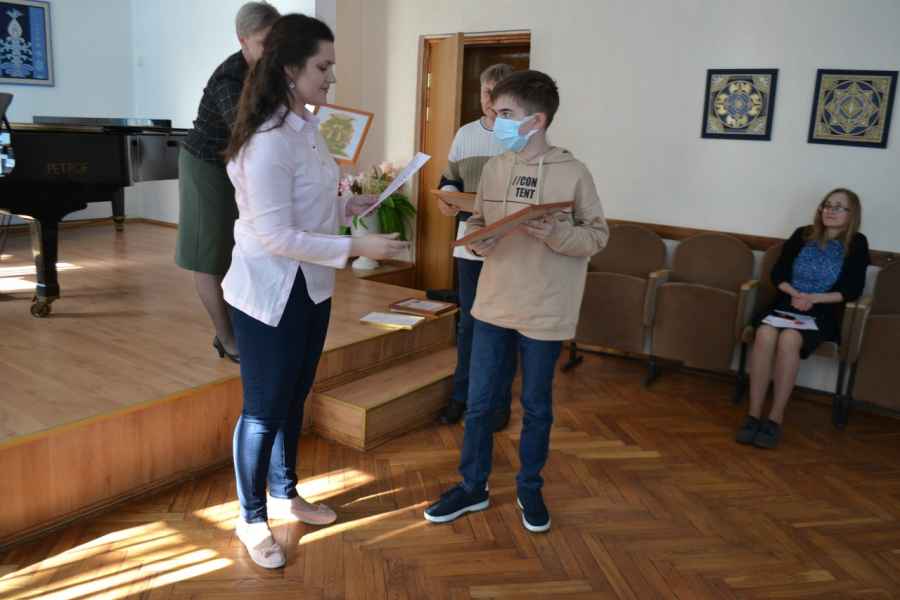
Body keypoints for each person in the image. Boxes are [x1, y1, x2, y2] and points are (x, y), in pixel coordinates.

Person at [221, 14, 409, 568]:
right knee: (263, 408)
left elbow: (310, 204)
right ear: (289, 69)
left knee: (294, 394)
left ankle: (285, 491)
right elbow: (276, 235)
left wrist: (347, 207)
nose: (331, 78)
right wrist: (357, 247)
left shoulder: (307, 127)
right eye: (322, 67)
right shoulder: (267, 142)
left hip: (310, 287)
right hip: (269, 291)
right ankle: (251, 517)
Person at [424, 70, 609, 533]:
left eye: (506, 113)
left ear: (537, 120)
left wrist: (557, 233)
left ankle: (530, 488)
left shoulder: (574, 172)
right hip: (494, 303)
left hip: (546, 309)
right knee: (480, 404)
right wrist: (478, 240)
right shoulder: (495, 167)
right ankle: (473, 486)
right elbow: (479, 222)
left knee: (536, 407)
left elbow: (597, 236)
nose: (496, 119)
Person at [176, 2, 280, 363]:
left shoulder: (273, 70)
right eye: (265, 43)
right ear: (243, 41)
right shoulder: (229, 78)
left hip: (241, 164)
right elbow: (247, 129)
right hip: (206, 165)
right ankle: (227, 339)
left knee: (243, 250)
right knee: (210, 256)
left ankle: (243, 330)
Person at [736, 189, 870, 449]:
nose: (830, 210)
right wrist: (795, 294)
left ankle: (775, 418)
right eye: (827, 205)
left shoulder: (857, 243)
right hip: (787, 301)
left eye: (839, 207)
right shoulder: (803, 234)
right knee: (764, 334)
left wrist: (813, 299)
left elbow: (852, 289)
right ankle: (753, 415)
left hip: (823, 310)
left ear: (852, 214)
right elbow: (778, 273)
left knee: (789, 339)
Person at [437, 63, 516, 432]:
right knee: (468, 324)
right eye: (487, 92)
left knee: (501, 324)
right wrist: (447, 196)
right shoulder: (465, 134)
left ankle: (498, 403)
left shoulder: (520, 138)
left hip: (507, 246)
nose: (491, 100)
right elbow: (449, 178)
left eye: (499, 93)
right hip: (469, 244)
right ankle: (461, 396)